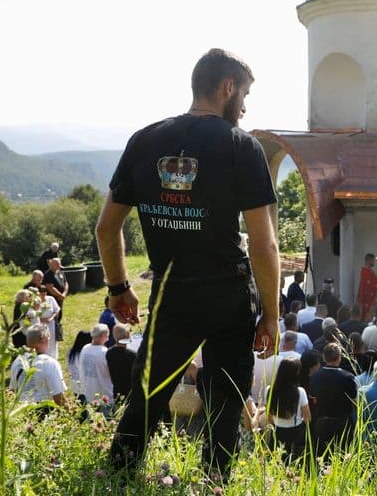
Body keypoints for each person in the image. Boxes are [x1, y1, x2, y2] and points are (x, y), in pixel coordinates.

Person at [98, 48, 281, 478]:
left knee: (146, 399)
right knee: (225, 403)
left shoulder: (144, 140)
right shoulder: (242, 147)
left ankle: (119, 478)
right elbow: (263, 244)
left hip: (171, 292)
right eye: (245, 94)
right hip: (228, 293)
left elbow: (107, 228)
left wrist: (118, 287)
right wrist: (271, 315)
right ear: (227, 88)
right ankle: (214, 483)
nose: (246, 106)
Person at [308, 342, 358, 454]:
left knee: (322, 455)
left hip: (322, 421)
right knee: (342, 454)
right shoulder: (348, 377)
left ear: (324, 357)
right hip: (342, 422)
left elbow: (314, 399)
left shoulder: (315, 376)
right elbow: (354, 402)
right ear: (339, 358)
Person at [264, 358, 310, 460]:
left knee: (276, 462)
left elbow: (269, 415)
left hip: (277, 431)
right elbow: (307, 418)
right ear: (296, 373)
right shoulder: (300, 392)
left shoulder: (269, 390)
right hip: (295, 432)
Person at [10, 323, 67, 406]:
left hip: (21, 411)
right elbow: (59, 397)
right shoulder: (49, 362)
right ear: (44, 340)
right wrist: (72, 414)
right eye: (48, 339)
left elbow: (12, 390)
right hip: (42, 411)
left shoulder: (18, 361)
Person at [80, 324, 114, 405]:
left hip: (88, 391)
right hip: (104, 395)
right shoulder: (104, 352)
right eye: (107, 335)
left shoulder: (85, 348)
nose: (108, 338)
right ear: (102, 336)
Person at [106, 323, 136, 401]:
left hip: (116, 391)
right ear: (127, 336)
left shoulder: (109, 353)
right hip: (131, 393)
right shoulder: (132, 355)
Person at [358, 253, 377, 322]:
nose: (374, 262)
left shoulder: (370, 271)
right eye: (374, 260)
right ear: (369, 260)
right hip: (368, 301)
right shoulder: (365, 271)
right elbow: (363, 287)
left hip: (373, 301)